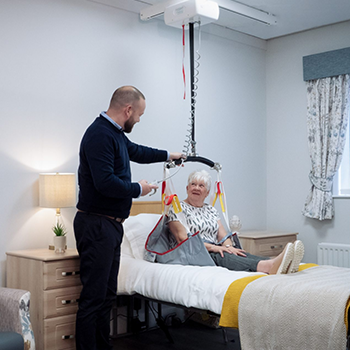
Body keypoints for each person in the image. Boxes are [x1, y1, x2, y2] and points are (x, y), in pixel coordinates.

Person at [74, 86, 184, 350]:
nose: (139, 119)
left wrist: (169, 155)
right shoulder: (99, 135)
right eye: (140, 115)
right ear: (128, 110)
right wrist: (139, 189)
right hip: (97, 224)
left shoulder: (115, 134)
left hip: (110, 225)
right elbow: (105, 183)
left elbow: (137, 151)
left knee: (106, 296)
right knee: (93, 298)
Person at [166, 170, 304, 274]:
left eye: (201, 185)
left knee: (237, 253)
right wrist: (216, 248)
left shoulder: (210, 210)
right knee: (222, 256)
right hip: (192, 254)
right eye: (193, 184)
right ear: (187, 188)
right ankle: (268, 266)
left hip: (214, 249)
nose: (196, 188)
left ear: (207, 192)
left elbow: (222, 235)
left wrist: (229, 247)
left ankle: (276, 263)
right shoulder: (177, 208)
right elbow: (182, 239)